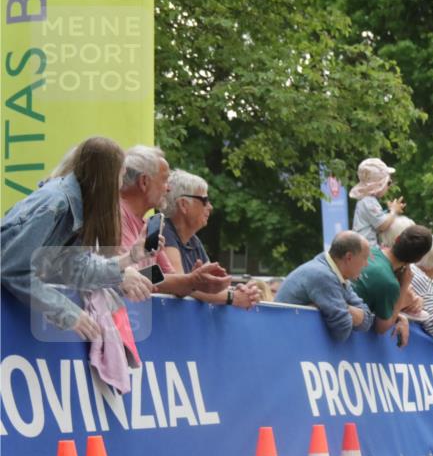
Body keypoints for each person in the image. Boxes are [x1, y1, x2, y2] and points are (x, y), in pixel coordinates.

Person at [1, 136, 154, 340]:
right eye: (120, 176)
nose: (120, 187)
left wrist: (130, 258)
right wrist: (68, 312)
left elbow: (77, 269)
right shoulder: (54, 204)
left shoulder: (77, 208)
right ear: (106, 179)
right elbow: (13, 269)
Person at [119, 146, 231, 298]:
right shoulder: (115, 215)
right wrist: (190, 281)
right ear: (144, 182)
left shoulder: (150, 225)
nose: (169, 189)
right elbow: (128, 277)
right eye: (164, 180)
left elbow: (166, 277)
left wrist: (191, 280)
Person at [160, 170, 260, 309]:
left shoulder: (193, 240)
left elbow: (213, 285)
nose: (210, 207)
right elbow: (179, 283)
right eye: (204, 200)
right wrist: (233, 297)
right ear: (183, 204)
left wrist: (240, 291)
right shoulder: (163, 230)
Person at [274, 231, 374, 342]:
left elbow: (367, 320)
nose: (366, 264)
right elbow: (342, 331)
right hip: (286, 340)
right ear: (349, 257)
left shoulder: (339, 275)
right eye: (364, 258)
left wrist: (343, 307)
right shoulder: (323, 275)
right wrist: (343, 309)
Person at [352, 224, 433, 348]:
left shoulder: (369, 251)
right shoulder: (389, 283)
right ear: (418, 260)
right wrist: (404, 286)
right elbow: (382, 328)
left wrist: (400, 316)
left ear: (397, 239)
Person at [349, 158, 405, 247]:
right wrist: (393, 211)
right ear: (379, 184)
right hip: (368, 251)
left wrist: (389, 211)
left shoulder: (366, 200)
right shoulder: (369, 202)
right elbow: (382, 225)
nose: (389, 187)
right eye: (389, 183)